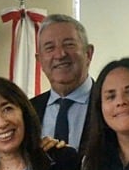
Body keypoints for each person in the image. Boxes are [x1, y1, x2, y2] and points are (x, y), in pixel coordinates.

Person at [31, 14, 95, 150]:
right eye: (49, 48)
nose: (60, 54)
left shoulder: (111, 105)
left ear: (88, 53)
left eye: (69, 45)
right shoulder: (28, 111)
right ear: (39, 61)